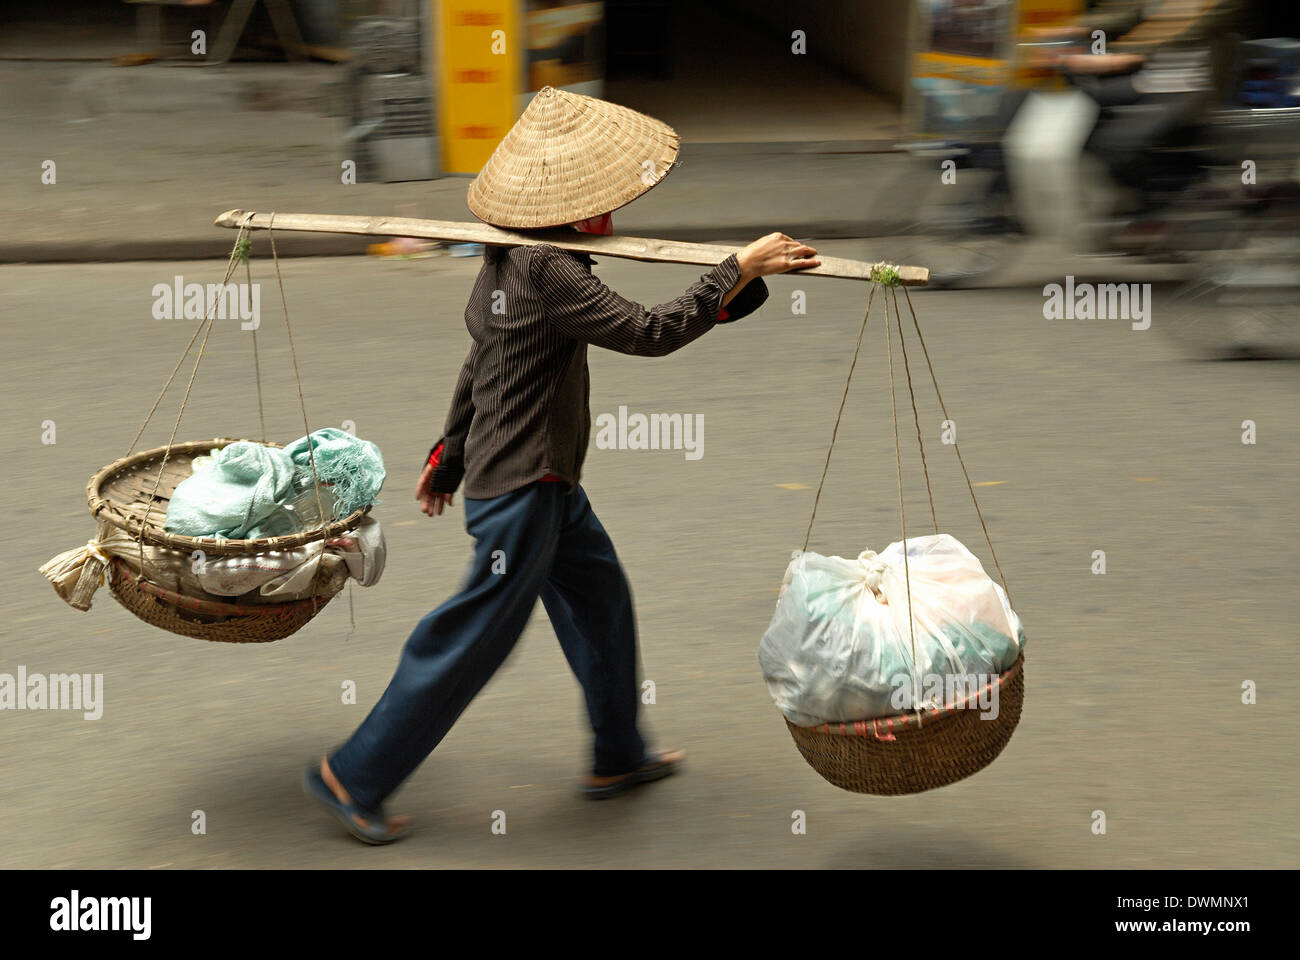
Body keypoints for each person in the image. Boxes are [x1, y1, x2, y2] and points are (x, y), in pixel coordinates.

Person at [304, 86, 820, 843]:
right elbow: (648, 332)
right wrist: (733, 267)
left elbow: (480, 365)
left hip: (546, 485)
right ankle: (355, 774)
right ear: (583, 207)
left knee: (601, 603)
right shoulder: (549, 269)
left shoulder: (509, 255)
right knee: (474, 633)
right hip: (522, 493)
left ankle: (617, 755)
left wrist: (446, 457)